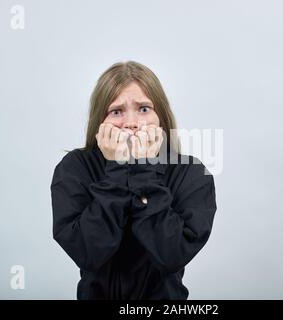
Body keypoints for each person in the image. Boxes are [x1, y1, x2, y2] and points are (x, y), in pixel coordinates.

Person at [50, 61, 217, 299]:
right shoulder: (75, 168)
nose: (131, 122)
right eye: (116, 111)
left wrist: (144, 169)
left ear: (161, 117)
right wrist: (117, 168)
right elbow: (88, 252)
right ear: (101, 120)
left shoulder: (191, 173)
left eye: (144, 109)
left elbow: (171, 255)